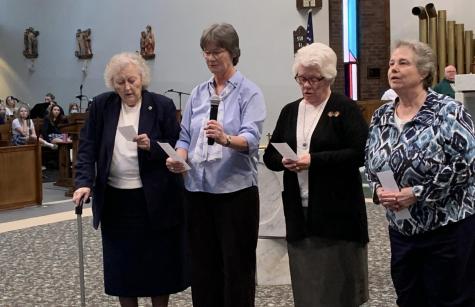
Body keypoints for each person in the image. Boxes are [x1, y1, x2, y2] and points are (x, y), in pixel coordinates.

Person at [72, 52, 189, 307]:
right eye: (121, 82)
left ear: (142, 79)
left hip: (155, 200)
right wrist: (84, 182)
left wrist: (153, 146)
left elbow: (178, 144)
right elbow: (88, 146)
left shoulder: (161, 105)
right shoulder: (102, 106)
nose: (127, 87)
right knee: (123, 268)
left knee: (159, 267)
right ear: (113, 84)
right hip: (116, 201)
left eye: (132, 81)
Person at [365, 40, 475, 307]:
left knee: (450, 299)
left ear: (424, 72)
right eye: (392, 63)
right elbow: (370, 161)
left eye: (403, 63)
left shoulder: (448, 110)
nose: (394, 69)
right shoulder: (381, 115)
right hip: (402, 228)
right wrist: (379, 191)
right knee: (409, 297)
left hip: (446, 227)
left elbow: (467, 164)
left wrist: (417, 193)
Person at [166, 23, 266, 307]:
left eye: (217, 51)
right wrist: (179, 157)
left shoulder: (249, 92)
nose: (210, 58)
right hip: (197, 192)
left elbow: (251, 137)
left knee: (237, 269)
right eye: (206, 52)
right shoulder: (198, 93)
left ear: (233, 52)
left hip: (235, 194)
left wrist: (225, 139)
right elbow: (185, 135)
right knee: (202, 268)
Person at [263, 42, 369, 307]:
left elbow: (360, 153)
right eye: (301, 78)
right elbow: (270, 156)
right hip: (300, 213)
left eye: (313, 79)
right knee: (308, 290)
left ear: (329, 77)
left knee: (337, 290)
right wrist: (284, 160)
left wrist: (315, 161)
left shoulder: (344, 108)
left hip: (337, 213)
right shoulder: (290, 111)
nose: (306, 85)